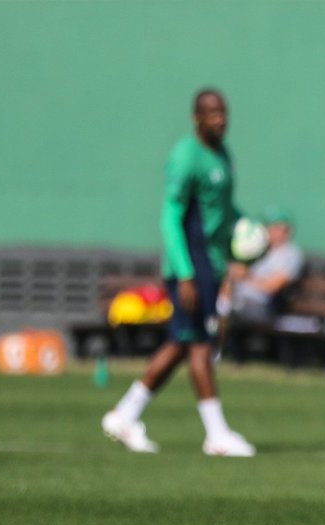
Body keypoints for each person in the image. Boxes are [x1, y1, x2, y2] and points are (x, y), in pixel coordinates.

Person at [101, 89, 255, 457]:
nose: (221, 119)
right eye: (212, 113)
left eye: (224, 112)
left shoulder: (222, 154)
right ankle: (216, 435)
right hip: (191, 263)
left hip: (213, 263)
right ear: (196, 117)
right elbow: (171, 217)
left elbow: (223, 208)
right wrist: (185, 273)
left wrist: (248, 230)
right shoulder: (186, 157)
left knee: (182, 343)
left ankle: (125, 414)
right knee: (200, 345)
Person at [224, 206, 305, 323]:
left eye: (277, 227)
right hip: (237, 301)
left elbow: (273, 286)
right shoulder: (258, 249)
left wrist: (247, 275)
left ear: (288, 231)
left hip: (262, 306)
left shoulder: (290, 254)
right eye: (269, 226)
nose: (271, 231)